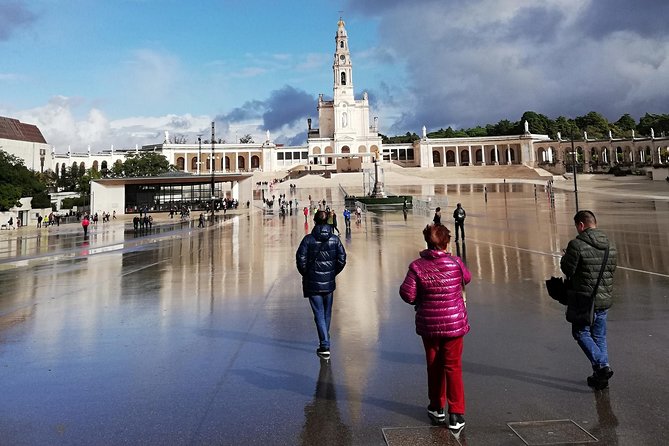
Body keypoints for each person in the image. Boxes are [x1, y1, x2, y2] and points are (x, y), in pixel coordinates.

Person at [400, 224, 471, 430]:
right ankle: (457, 414)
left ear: (427, 242)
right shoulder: (455, 263)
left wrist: (421, 298)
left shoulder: (417, 266)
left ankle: (437, 407)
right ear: (446, 243)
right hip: (454, 322)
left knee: (434, 365)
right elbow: (467, 278)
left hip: (429, 323)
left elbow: (407, 294)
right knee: (453, 366)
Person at [560, 210, 617, 390]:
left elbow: (568, 270)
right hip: (604, 298)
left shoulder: (576, 245)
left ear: (581, 225)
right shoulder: (610, 244)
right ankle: (600, 377)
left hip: (584, 299)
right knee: (599, 335)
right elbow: (612, 270)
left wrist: (564, 256)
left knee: (581, 333)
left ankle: (603, 364)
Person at [296, 210, 347, 359]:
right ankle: (325, 338)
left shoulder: (307, 240)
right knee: (326, 313)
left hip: (313, 283)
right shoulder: (335, 240)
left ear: (314, 221)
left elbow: (300, 260)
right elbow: (342, 259)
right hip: (329, 284)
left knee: (319, 313)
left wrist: (307, 274)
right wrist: (332, 273)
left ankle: (324, 345)